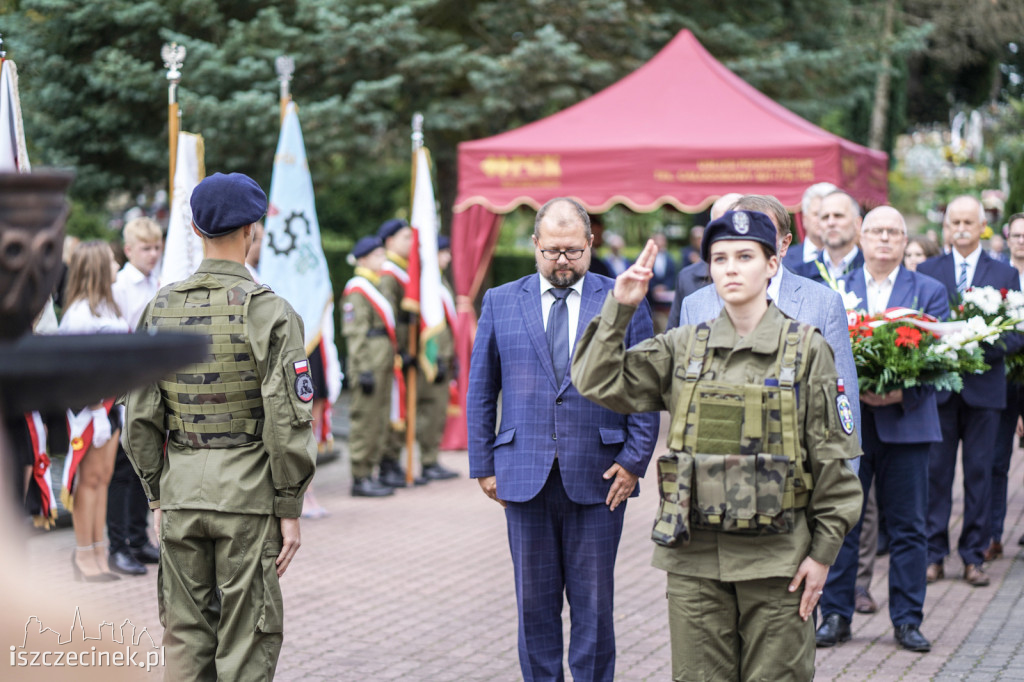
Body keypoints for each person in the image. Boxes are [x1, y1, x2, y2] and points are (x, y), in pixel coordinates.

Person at [572, 210, 862, 682]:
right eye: (720, 258)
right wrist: (618, 308)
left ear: (772, 264)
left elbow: (833, 461)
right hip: (695, 560)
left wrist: (823, 554)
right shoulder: (682, 347)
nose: (731, 268)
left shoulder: (806, 349)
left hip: (778, 560)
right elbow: (595, 381)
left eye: (745, 256)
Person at [123, 172, 317, 679]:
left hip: (182, 491)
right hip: (248, 496)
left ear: (194, 229)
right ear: (252, 230)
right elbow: (287, 420)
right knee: (246, 643)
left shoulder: (159, 307)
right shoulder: (270, 312)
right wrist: (289, 505)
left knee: (185, 640)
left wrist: (157, 496)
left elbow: (139, 417)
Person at [468, 197, 658, 682]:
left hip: (601, 476)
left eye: (573, 251)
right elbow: (482, 388)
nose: (562, 261)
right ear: (535, 244)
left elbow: (644, 387)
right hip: (523, 473)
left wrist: (634, 460)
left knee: (594, 606)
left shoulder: (621, 298)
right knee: (534, 606)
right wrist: (483, 464)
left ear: (590, 244)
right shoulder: (500, 301)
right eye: (551, 251)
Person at [815, 206, 949, 653]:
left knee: (909, 527)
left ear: (905, 239)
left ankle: (908, 620)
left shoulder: (929, 291)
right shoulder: (836, 289)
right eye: (877, 231)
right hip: (849, 425)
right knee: (843, 521)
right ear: (861, 237)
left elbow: (942, 361)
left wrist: (899, 393)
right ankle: (836, 615)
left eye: (894, 231)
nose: (885, 238)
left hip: (908, 424)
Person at [676, 194, 862, 441]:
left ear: (784, 245)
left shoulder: (823, 303)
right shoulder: (696, 305)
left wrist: (844, 462)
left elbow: (842, 395)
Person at [917, 195, 1022, 587]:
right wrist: (943, 347)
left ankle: (974, 555)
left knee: (980, 473)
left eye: (968, 222)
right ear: (947, 227)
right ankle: (933, 554)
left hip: (984, 389)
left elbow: (1017, 333)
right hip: (940, 391)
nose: (961, 228)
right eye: (954, 222)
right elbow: (918, 324)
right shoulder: (928, 270)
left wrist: (976, 344)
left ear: (982, 227)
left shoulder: (1004, 273)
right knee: (936, 474)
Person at [59, 240, 132, 582]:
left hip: (111, 404)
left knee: (103, 479)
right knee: (87, 482)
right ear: (98, 268)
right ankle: (83, 554)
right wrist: (94, 408)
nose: (117, 266)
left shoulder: (109, 307)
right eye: (111, 262)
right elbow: (75, 368)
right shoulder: (79, 314)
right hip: (89, 409)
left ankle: (99, 551)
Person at [108, 216, 164, 576]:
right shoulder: (120, 287)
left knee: (146, 464)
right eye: (146, 248)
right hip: (125, 386)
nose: (153, 254)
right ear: (129, 250)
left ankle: (139, 537)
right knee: (122, 470)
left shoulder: (159, 282)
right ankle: (118, 545)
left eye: (157, 247)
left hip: (151, 384)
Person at [342, 236, 398, 498]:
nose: (382, 259)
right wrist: (363, 368)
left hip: (382, 361)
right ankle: (360, 476)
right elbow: (355, 333)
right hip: (369, 363)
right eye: (377, 255)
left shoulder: (375, 284)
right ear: (363, 259)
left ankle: (371, 472)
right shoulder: (357, 290)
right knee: (365, 420)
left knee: (379, 418)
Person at [376, 218, 424, 487]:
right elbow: (389, 317)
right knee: (391, 410)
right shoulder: (388, 273)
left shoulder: (406, 270)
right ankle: (387, 463)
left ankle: (394, 461)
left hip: (406, 352)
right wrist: (400, 350)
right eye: (406, 237)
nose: (411, 242)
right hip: (394, 353)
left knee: (402, 409)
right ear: (390, 241)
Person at [992, 212, 1024, 555]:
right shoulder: (997, 276)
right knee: (996, 460)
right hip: (1003, 379)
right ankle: (994, 534)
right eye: (1016, 235)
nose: (1021, 241)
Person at [415, 235, 459, 481]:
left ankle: (432, 458)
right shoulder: (428, 283)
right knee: (429, 411)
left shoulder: (439, 281)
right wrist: (439, 356)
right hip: (433, 359)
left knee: (438, 411)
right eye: (444, 252)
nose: (448, 257)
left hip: (444, 357)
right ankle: (427, 461)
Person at [666, 193, 743, 323]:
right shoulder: (688, 280)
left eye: (737, 224)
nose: (729, 232)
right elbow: (675, 332)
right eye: (721, 226)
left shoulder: (769, 278)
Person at [795, 190, 865, 283]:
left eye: (838, 216)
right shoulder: (799, 276)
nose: (830, 223)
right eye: (825, 217)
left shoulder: (872, 270)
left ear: (857, 223)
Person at [782, 182, 837, 268]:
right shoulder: (783, 259)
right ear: (804, 218)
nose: (822, 220)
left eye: (826, 215)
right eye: (817, 214)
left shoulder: (849, 257)